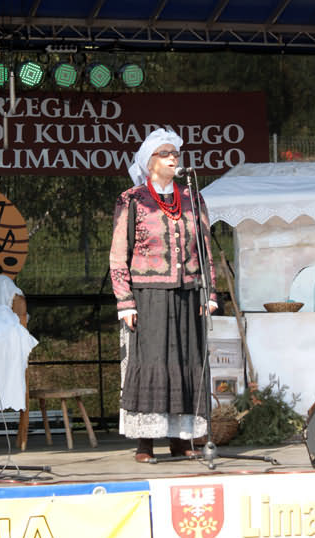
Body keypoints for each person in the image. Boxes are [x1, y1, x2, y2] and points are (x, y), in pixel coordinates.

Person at [109, 128, 217, 462]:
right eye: (165, 153)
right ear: (150, 162)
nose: (173, 158)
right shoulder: (132, 199)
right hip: (149, 293)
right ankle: (144, 443)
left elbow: (205, 249)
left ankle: (181, 439)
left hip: (188, 291)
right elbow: (118, 254)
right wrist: (125, 301)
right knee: (152, 363)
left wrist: (210, 292)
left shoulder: (192, 198)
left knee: (185, 361)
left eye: (175, 153)